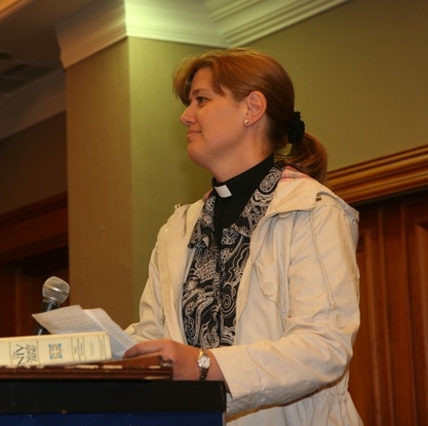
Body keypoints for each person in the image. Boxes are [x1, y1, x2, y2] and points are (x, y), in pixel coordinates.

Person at [124, 48, 362, 425]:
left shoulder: (313, 211)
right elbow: (153, 336)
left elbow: (324, 346)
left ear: (252, 108)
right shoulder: (177, 229)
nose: (186, 116)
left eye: (201, 100)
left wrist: (205, 364)